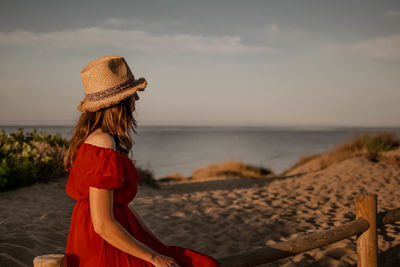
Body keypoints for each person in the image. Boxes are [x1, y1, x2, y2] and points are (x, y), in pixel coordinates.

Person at [63, 56, 220, 267]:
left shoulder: (101, 139)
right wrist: (153, 257)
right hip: (104, 244)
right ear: (119, 103)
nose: (137, 99)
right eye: (132, 94)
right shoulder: (102, 142)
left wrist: (155, 245)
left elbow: (122, 208)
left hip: (114, 236)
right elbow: (102, 223)